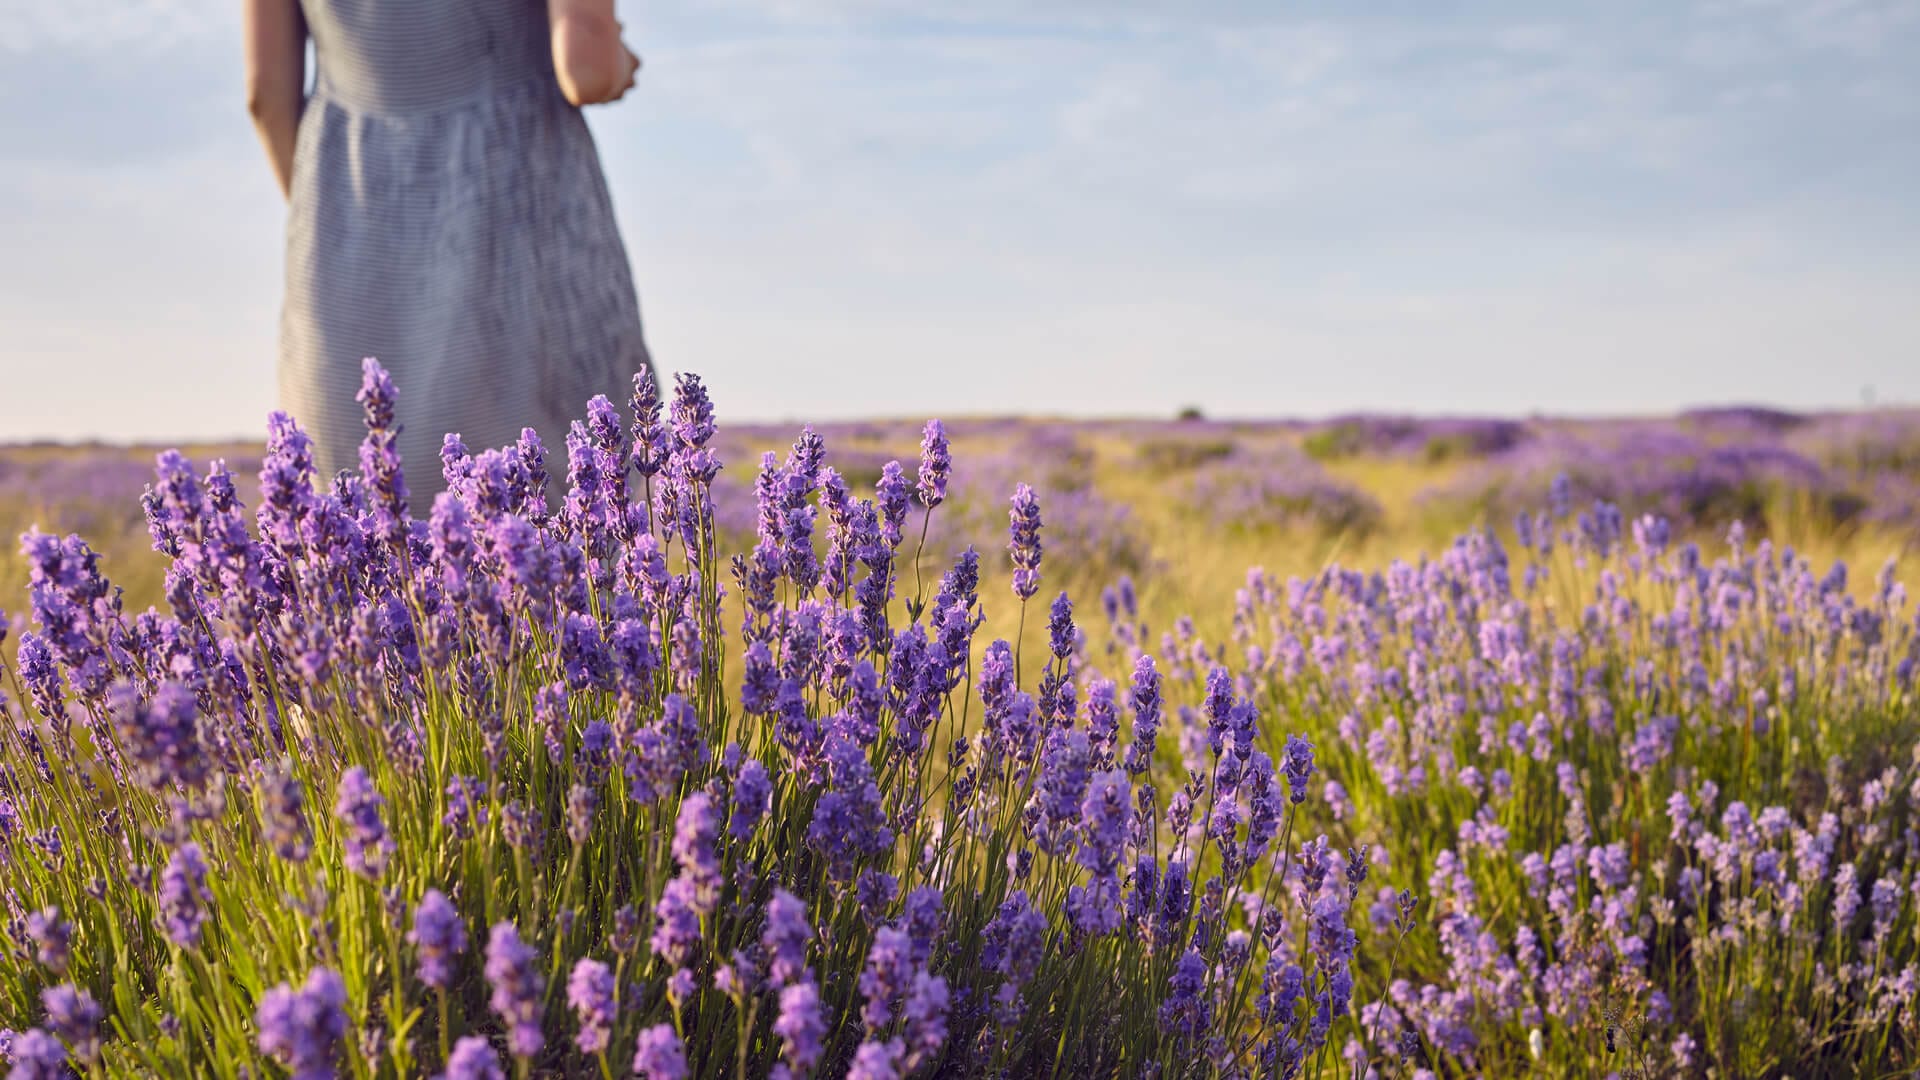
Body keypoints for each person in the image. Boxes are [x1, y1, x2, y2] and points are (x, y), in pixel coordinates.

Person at [245, 0, 654, 492]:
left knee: (361, 525)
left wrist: (329, 230)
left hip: (352, 234)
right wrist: (619, 59)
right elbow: (587, 69)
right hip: (521, 216)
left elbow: (265, 95)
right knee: (569, 518)